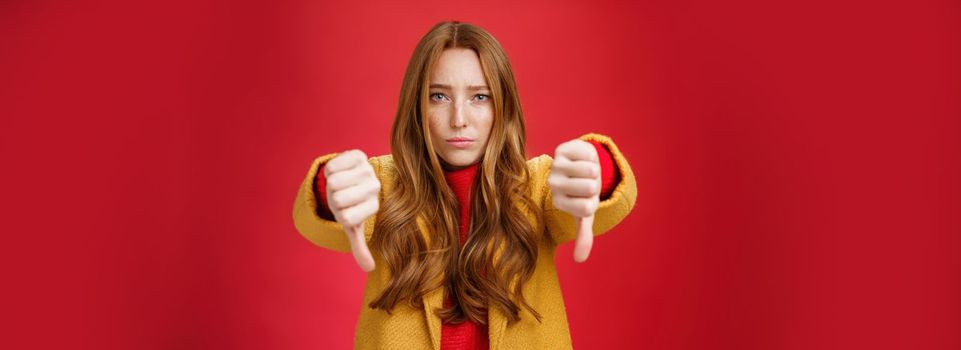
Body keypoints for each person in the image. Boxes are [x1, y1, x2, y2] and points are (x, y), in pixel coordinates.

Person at [293, 20, 637, 350]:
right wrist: (330, 190)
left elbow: (602, 201)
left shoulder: (538, 185)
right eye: (439, 97)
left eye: (480, 97)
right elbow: (318, 219)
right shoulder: (381, 183)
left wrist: (597, 171)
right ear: (417, 105)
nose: (459, 119)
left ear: (503, 106)